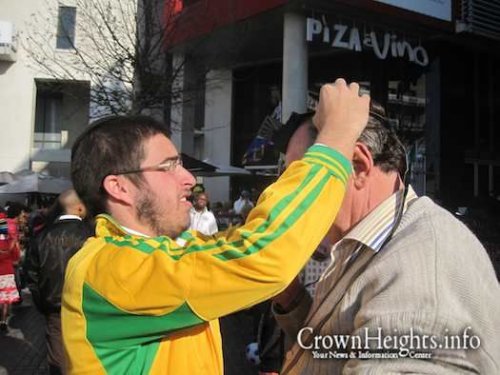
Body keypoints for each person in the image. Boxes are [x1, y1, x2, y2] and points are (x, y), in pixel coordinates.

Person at [62, 79, 370, 374]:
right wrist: (335, 139)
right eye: (169, 166)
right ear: (120, 187)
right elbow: (261, 256)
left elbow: (244, 244)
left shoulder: (160, 253)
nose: (190, 179)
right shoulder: (111, 269)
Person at [272, 103, 500, 374]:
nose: (288, 200)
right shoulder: (374, 242)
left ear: (358, 166)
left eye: (301, 180)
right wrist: (292, 300)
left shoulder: (420, 266)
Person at [26, 189, 93, 375]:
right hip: (86, 306)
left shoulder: (41, 236)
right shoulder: (91, 234)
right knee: (85, 352)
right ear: (80, 208)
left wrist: (42, 302)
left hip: (54, 305)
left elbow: (31, 274)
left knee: (57, 356)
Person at [0, 206, 21, 331]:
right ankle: (3, 319)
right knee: (5, 298)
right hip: (7, 270)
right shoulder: (9, 241)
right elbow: (16, 256)